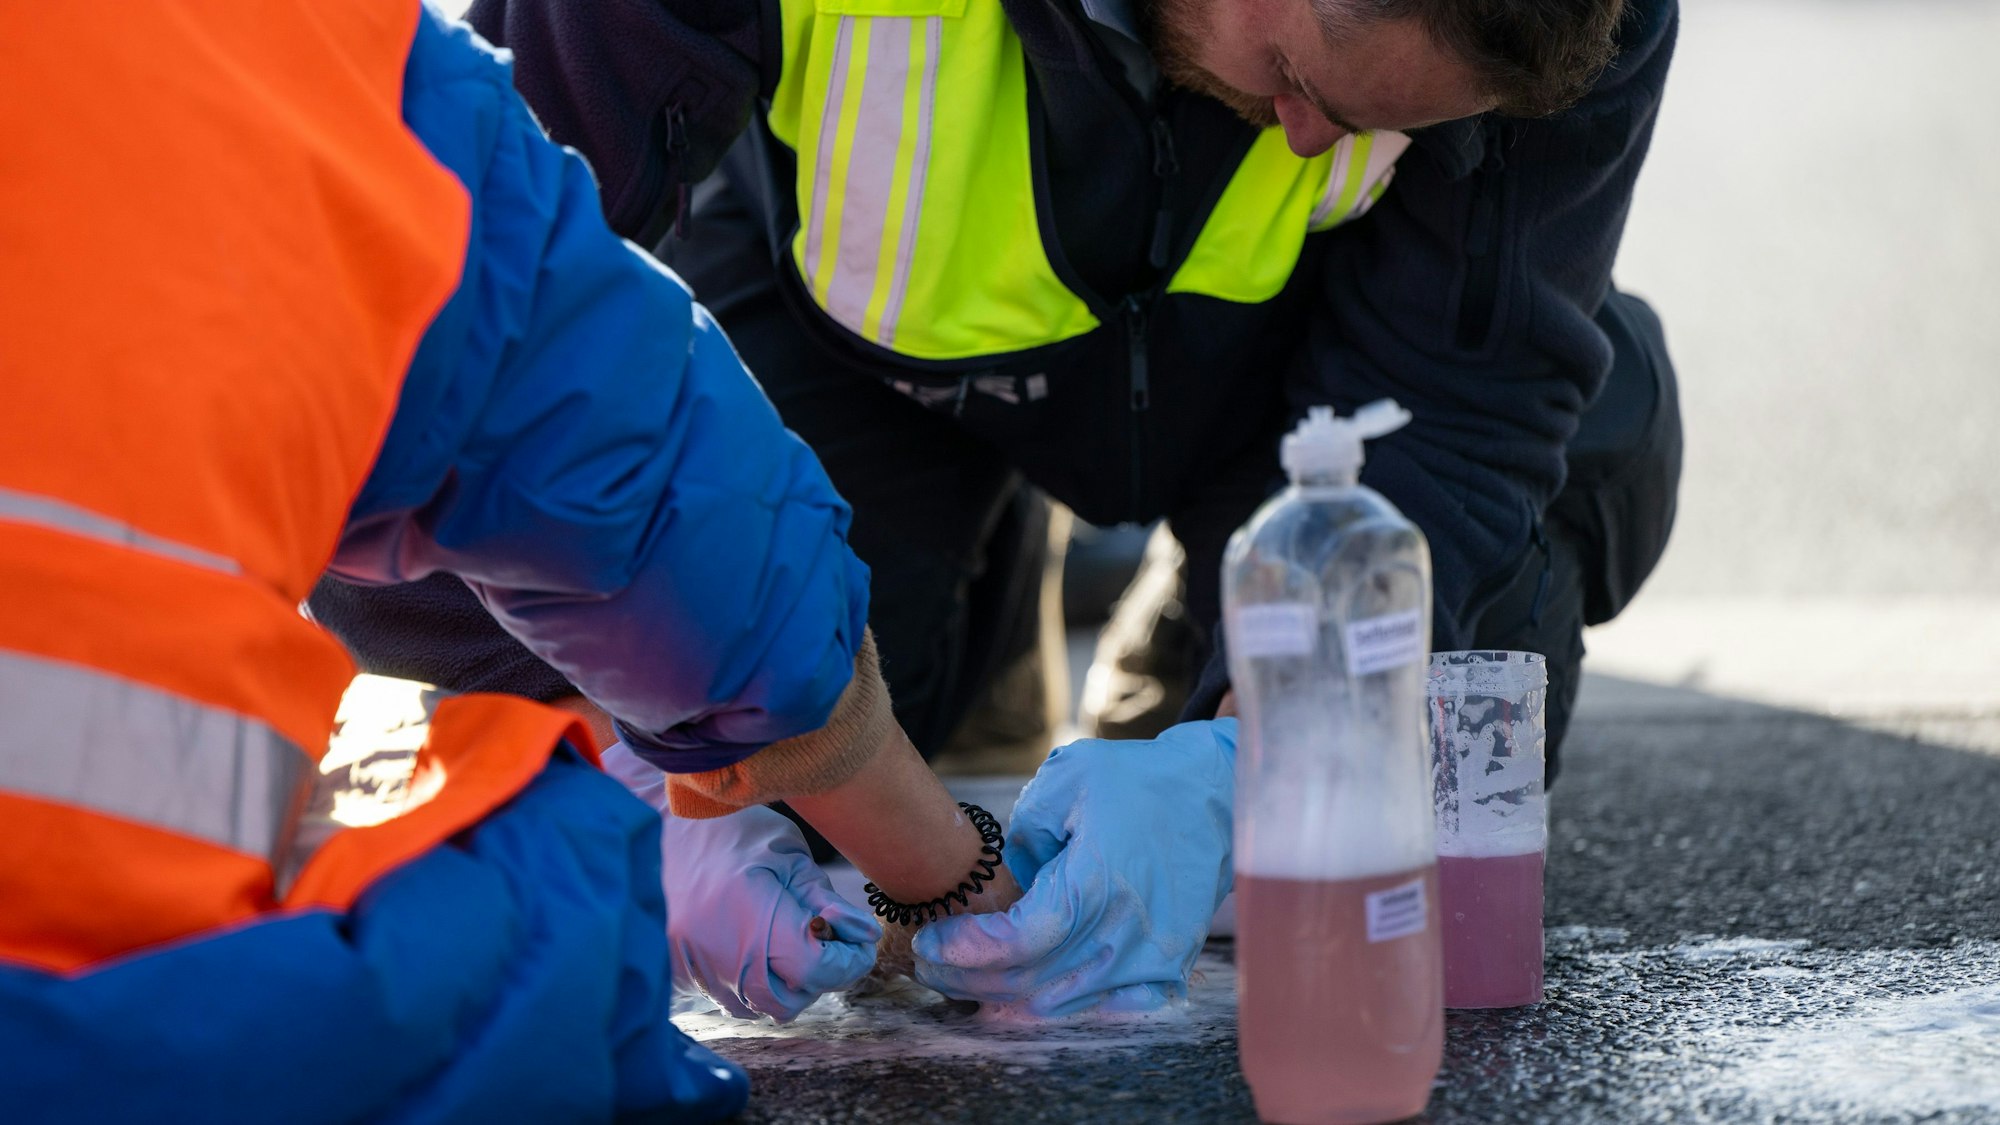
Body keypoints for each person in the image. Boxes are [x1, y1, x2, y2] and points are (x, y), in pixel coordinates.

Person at [315, 0, 1682, 1016]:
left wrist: (1257, 758)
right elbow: (437, 362)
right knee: (793, 720)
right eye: (1295, 79)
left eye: (1384, 127)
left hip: (1283, 391)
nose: (1317, 136)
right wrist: (615, 747)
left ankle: (1204, 632)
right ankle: (988, 572)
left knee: (1518, 587)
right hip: (865, 349)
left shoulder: (1581, 20)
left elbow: (1470, 418)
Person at [0, 3, 1022, 1120]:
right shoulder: (300, 57)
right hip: (127, 1003)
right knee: (562, 894)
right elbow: (625, 448)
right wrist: (948, 874)